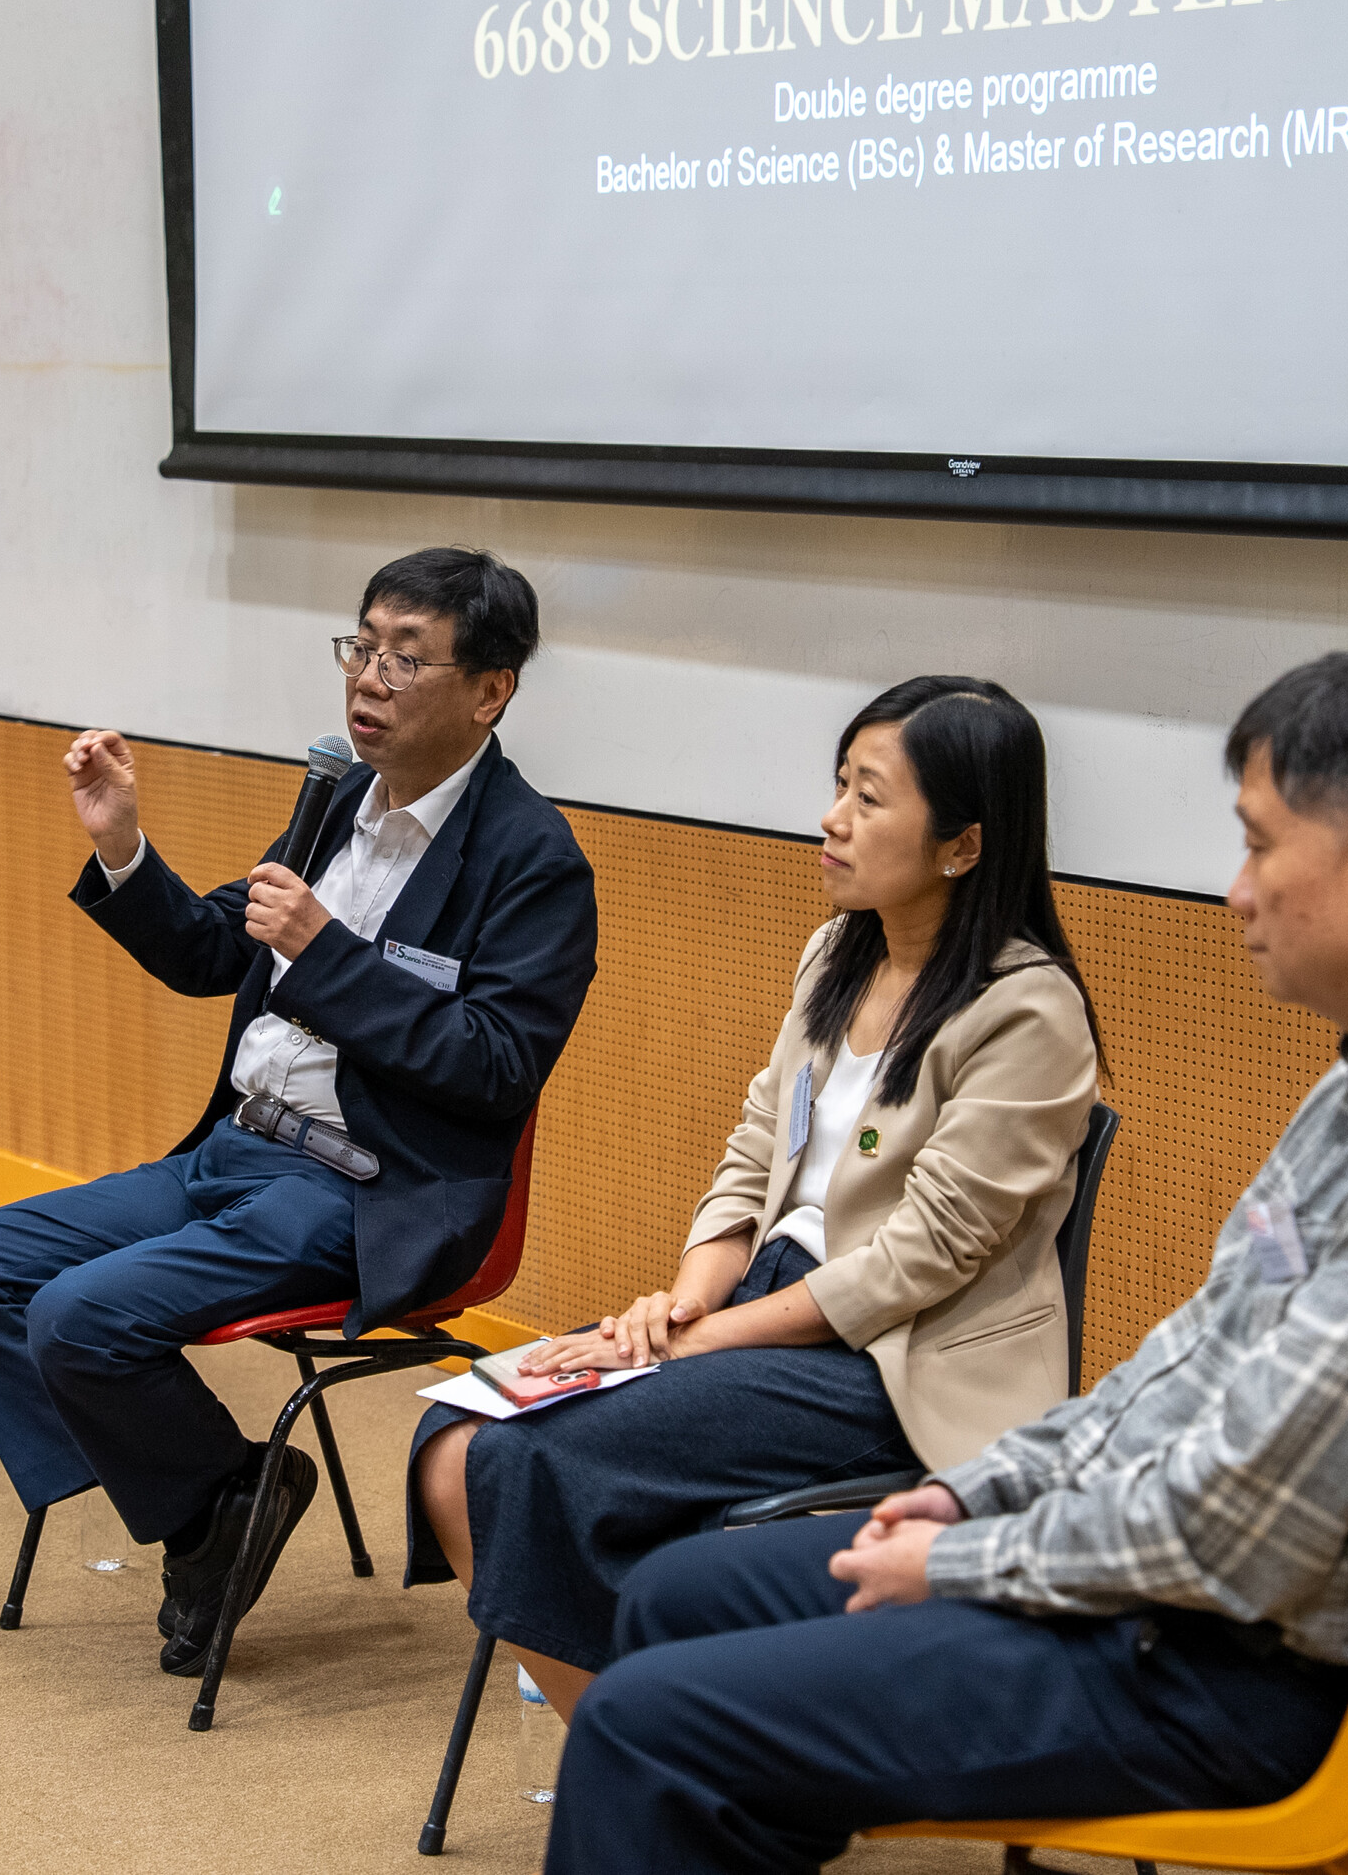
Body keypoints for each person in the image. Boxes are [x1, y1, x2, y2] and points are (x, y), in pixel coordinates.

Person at [547, 639, 1348, 1874]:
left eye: (1259, 845)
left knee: (649, 1727)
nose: (1236, 893)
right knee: (680, 1597)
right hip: (1158, 1596)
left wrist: (961, 1559)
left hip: (1219, 1667)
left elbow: (1237, 1530)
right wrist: (979, 1490)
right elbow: (1183, 1368)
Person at [0, 547, 598, 1676]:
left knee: (79, 1317)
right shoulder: (336, 801)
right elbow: (209, 954)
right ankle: (215, 1503)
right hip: (236, 1151)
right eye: (362, 646)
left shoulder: (533, 859)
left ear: (491, 691)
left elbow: (493, 1068)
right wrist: (122, 845)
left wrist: (327, 955)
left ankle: (203, 1509)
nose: (369, 679)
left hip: (369, 1188)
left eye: (406, 658)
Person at [409, 677, 1102, 1721]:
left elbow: (918, 1261)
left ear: (962, 845)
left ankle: (647, 1747)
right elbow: (752, 1159)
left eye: (870, 798)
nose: (833, 819)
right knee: (452, 1441)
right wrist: (683, 1302)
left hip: (899, 1361)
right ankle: (652, 1736)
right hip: (767, 1306)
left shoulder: (1027, 1010)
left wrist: (696, 1341)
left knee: (512, 1456)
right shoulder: (836, 953)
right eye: (840, 785)